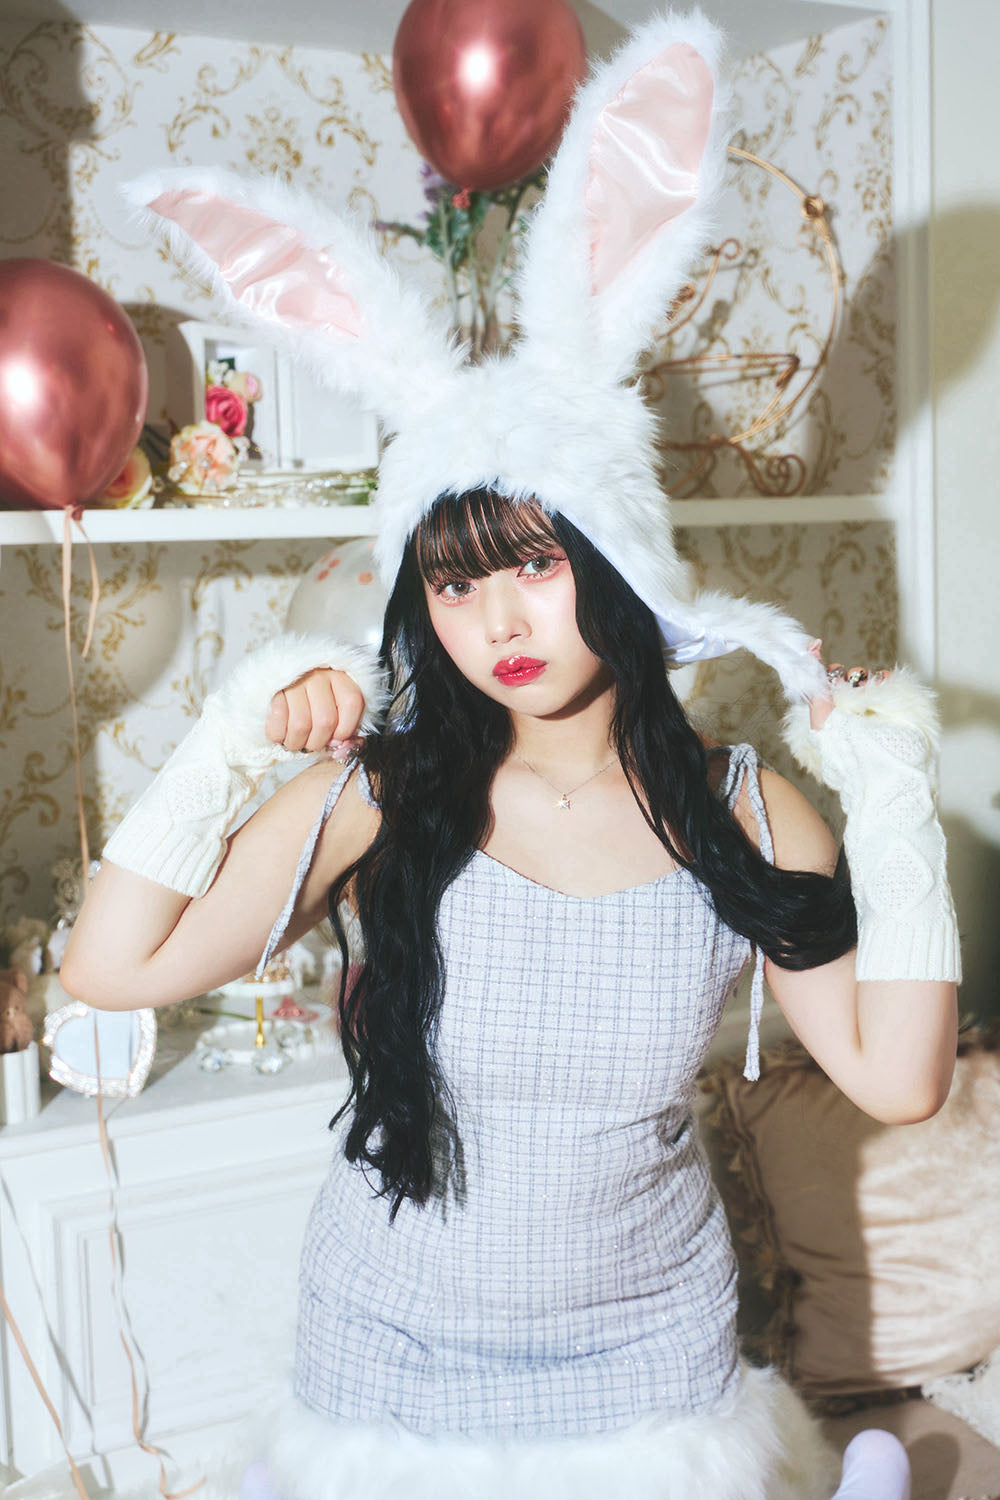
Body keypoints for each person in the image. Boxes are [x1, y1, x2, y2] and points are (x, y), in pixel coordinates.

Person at [64, 13, 960, 1496]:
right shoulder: (380, 790)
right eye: (453, 580)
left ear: (617, 559)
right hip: (388, 1364)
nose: (496, 620)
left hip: (650, 1367)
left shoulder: (748, 809)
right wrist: (228, 739)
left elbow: (903, 1077)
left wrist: (893, 789)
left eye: (536, 561)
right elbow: (109, 968)